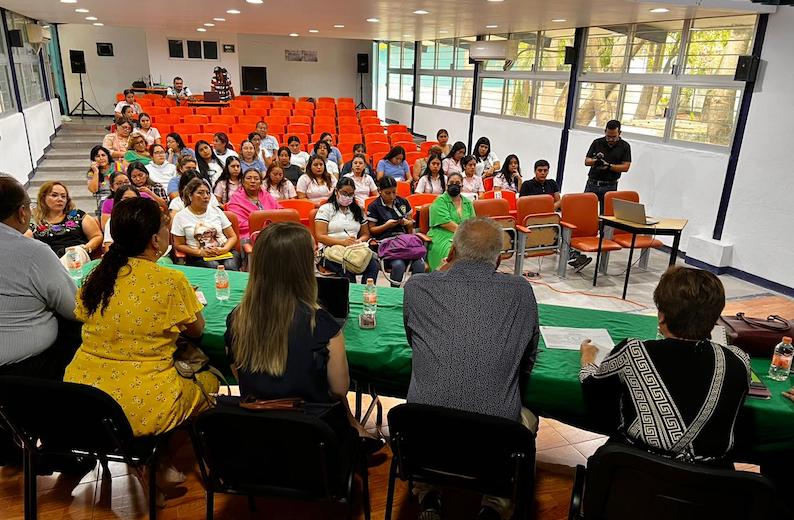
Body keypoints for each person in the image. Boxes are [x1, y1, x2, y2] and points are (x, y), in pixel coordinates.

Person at [404, 217, 540, 520]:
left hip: (425, 435)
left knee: (426, 408)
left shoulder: (417, 286)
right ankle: (494, 505)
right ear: (500, 258)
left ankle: (428, 497)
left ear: (451, 251)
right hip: (493, 439)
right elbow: (528, 357)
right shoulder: (520, 290)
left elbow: (413, 342)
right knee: (528, 417)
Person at [64, 197, 219, 440]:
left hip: (81, 397)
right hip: (144, 406)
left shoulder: (97, 276)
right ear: (155, 239)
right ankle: (177, 452)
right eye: (165, 226)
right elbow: (196, 331)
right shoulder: (171, 281)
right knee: (211, 381)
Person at [224, 221, 381, 449]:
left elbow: (238, 374)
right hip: (314, 442)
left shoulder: (236, 319)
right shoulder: (321, 323)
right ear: (303, 267)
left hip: (255, 440)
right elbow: (338, 389)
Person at [579, 266, 750, 466]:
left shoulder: (634, 351)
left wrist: (588, 359)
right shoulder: (738, 360)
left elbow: (591, 387)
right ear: (715, 318)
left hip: (633, 471)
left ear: (661, 316)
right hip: (710, 480)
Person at [0, 175, 81, 380]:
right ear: (22, 213)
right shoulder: (32, 251)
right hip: (27, 369)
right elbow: (74, 308)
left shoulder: (77, 217)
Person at [315, 177, 379, 284]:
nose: (347, 197)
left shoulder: (358, 210)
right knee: (347, 270)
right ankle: (351, 294)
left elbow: (365, 234)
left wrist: (359, 241)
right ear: (336, 191)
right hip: (330, 251)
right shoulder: (326, 209)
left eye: (350, 194)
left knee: (373, 265)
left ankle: (366, 291)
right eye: (344, 193)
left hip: (353, 249)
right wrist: (342, 242)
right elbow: (320, 236)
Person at [367, 176, 425, 286]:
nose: (392, 196)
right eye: (387, 193)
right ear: (379, 191)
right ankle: (394, 292)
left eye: (394, 192)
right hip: (387, 244)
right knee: (399, 265)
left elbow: (410, 224)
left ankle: (415, 292)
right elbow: (372, 230)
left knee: (420, 265)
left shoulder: (402, 202)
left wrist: (408, 223)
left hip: (404, 242)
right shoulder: (374, 206)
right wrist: (386, 226)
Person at [171, 178, 241, 270]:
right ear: (190, 195)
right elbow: (178, 245)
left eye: (208, 193)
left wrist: (225, 249)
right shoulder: (180, 216)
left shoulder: (216, 211)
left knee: (230, 266)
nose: (206, 196)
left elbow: (232, 236)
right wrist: (200, 252)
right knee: (213, 266)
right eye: (200, 193)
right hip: (198, 255)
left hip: (224, 251)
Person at [26, 181, 103, 259]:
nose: (60, 199)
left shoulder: (77, 215)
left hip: (78, 258)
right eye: (54, 195)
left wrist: (85, 248)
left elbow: (97, 236)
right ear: (43, 198)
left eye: (63, 196)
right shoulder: (34, 223)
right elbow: (25, 246)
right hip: (50, 261)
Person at [426, 172, 475, 271]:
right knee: (454, 252)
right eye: (451, 183)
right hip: (442, 235)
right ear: (447, 184)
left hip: (464, 235)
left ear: (462, 186)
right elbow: (446, 223)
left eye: (457, 183)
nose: (454, 185)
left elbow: (473, 222)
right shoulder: (440, 201)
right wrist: (465, 234)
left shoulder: (468, 203)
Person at [584, 119, 632, 212]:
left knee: (607, 215)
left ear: (619, 133)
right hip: (592, 183)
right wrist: (595, 161)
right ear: (605, 131)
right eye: (608, 136)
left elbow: (626, 167)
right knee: (586, 210)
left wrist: (609, 166)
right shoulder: (597, 142)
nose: (610, 139)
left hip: (610, 185)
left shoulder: (625, 146)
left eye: (614, 137)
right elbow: (587, 161)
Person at [226, 167, 281, 242]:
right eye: (248, 178)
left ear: (261, 182)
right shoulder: (236, 199)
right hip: (248, 235)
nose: (252, 181)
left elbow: (280, 211)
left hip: (272, 232)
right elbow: (239, 224)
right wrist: (263, 227)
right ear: (243, 182)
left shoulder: (266, 195)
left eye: (256, 179)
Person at [102, 184, 140, 253]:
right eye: (126, 199)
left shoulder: (146, 219)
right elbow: (109, 248)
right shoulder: (112, 221)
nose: (131, 202)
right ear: (118, 201)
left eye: (134, 199)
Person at [87, 144, 122, 214]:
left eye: (103, 155)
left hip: (120, 195)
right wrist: (96, 172)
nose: (101, 158)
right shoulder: (92, 172)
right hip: (104, 199)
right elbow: (93, 190)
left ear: (108, 156)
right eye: (97, 156)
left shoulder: (118, 166)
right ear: (93, 160)